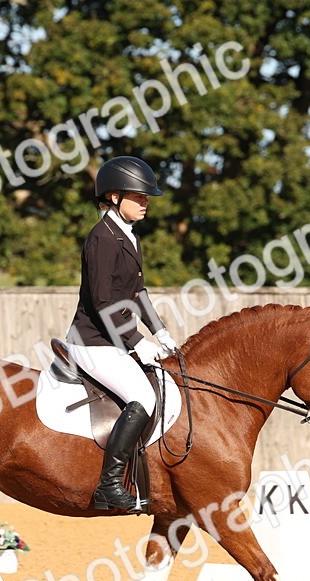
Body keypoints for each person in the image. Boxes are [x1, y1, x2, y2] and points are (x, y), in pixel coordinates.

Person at [66, 156, 180, 510]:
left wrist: (160, 332)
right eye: (139, 196)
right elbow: (102, 302)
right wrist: (136, 342)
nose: (146, 202)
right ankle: (109, 484)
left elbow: (138, 294)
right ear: (115, 197)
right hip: (93, 340)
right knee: (143, 399)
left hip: (116, 338)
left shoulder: (128, 236)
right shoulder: (102, 238)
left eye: (147, 197)